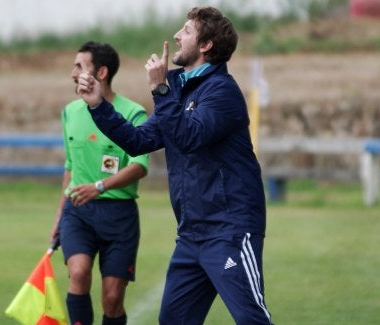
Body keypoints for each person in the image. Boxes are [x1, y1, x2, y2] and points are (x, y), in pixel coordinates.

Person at [76, 7, 274, 325]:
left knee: (251, 319)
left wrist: (160, 89)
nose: (177, 36)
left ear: (206, 44)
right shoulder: (180, 89)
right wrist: (99, 105)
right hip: (191, 234)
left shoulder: (222, 91)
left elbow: (188, 137)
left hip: (230, 230)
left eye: (186, 30)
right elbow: (140, 141)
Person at [50, 41, 149, 325]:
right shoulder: (70, 112)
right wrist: (59, 214)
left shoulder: (133, 114)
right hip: (78, 212)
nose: (72, 73)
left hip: (119, 217)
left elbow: (139, 166)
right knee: (78, 273)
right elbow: (70, 166)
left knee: (112, 298)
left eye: (79, 66)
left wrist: (100, 186)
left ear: (101, 72)